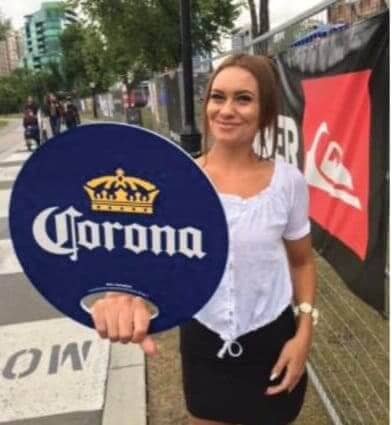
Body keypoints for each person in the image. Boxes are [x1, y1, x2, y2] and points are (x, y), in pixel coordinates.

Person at [91, 54, 317, 425]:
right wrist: (123, 297)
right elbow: (148, 262)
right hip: (204, 344)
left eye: (243, 98)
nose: (227, 110)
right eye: (218, 96)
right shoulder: (174, 182)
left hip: (274, 345)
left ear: (265, 111)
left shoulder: (288, 182)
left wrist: (304, 332)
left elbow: (302, 261)